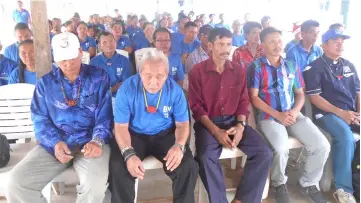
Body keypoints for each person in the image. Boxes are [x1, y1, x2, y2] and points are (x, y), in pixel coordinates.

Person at [5, 32, 112, 203]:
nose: (68, 64)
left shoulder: (98, 77)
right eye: (63, 59)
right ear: (55, 57)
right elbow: (40, 119)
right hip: (55, 146)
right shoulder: (46, 84)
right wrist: (54, 143)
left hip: (91, 144)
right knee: (16, 183)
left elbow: (105, 115)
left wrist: (97, 140)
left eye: (71, 57)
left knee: (94, 186)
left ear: (79, 52)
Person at [188, 27, 273, 203]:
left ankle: (242, 200)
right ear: (210, 45)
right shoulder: (197, 71)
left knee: (264, 153)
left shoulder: (238, 70)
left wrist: (241, 126)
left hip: (235, 122)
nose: (225, 49)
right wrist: (215, 131)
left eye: (228, 44)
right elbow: (196, 108)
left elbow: (243, 102)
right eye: (220, 44)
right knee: (205, 157)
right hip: (208, 123)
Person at [247, 27, 331, 203]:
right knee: (280, 148)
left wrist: (293, 112)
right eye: (272, 41)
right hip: (269, 116)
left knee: (322, 144)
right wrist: (278, 115)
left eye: (279, 40)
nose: (277, 45)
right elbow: (254, 98)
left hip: (293, 115)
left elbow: (300, 93)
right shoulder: (255, 66)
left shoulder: (291, 65)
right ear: (263, 45)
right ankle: (279, 183)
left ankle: (309, 183)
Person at [109, 49, 199, 203]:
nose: (153, 82)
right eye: (148, 76)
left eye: (160, 76)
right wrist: (129, 154)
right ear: (140, 72)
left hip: (165, 134)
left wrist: (179, 146)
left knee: (187, 166)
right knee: (119, 165)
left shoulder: (175, 91)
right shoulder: (127, 89)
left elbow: (183, 124)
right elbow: (121, 127)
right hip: (133, 134)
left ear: (167, 74)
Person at [303, 29, 359, 203]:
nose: (340, 44)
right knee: (345, 136)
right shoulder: (314, 67)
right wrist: (341, 113)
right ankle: (344, 189)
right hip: (326, 114)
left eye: (342, 41)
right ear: (324, 46)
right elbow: (314, 98)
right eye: (335, 41)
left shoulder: (349, 65)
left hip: (350, 112)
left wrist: (358, 113)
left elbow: (358, 93)